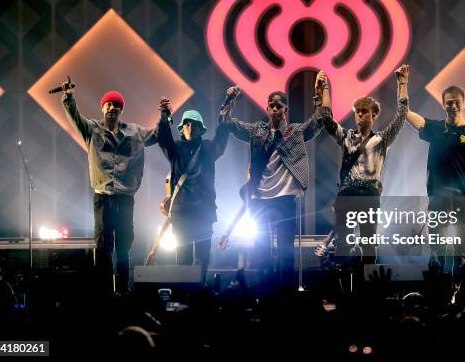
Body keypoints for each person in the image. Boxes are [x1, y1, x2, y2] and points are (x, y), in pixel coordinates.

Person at [222, 80, 331, 294]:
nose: (274, 109)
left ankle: (285, 299)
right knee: (260, 253)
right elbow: (227, 124)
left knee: (285, 253)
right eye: (271, 105)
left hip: (285, 199)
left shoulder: (295, 132)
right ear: (267, 108)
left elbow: (322, 119)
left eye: (279, 106)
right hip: (260, 199)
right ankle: (264, 299)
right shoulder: (257, 131)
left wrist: (323, 91)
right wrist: (229, 100)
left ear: (285, 109)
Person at [62, 85, 160, 295]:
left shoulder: (134, 131)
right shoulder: (92, 129)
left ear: (121, 109)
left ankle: (123, 291)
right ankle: (104, 292)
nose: (113, 108)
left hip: (125, 198)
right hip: (103, 198)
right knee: (103, 247)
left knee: (124, 246)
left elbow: (156, 134)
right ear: (103, 107)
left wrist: (165, 116)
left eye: (117, 105)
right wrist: (69, 97)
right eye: (109, 104)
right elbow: (75, 117)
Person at [404, 67, 465, 292]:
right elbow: (406, 114)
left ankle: (462, 298)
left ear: (464, 103)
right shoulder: (434, 129)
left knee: (463, 254)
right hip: (438, 200)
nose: (452, 106)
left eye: (456, 102)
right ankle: (437, 297)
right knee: (437, 252)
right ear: (443, 104)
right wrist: (402, 84)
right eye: (448, 102)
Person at [317, 67, 408, 269]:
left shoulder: (381, 139)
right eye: (357, 112)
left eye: (364, 112)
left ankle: (368, 289)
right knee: (343, 245)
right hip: (347, 195)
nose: (360, 116)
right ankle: (344, 289)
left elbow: (402, 116)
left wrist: (402, 84)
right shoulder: (347, 137)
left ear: (374, 115)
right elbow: (326, 119)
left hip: (368, 195)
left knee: (368, 244)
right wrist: (324, 88)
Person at [155, 100, 230, 285]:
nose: (191, 127)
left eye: (195, 124)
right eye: (187, 123)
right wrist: (165, 117)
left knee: (203, 256)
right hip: (181, 212)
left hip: (203, 212)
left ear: (201, 129)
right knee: (183, 256)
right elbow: (163, 138)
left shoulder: (208, 149)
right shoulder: (175, 150)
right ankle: (184, 293)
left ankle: (200, 291)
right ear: (181, 128)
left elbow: (221, 138)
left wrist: (226, 113)